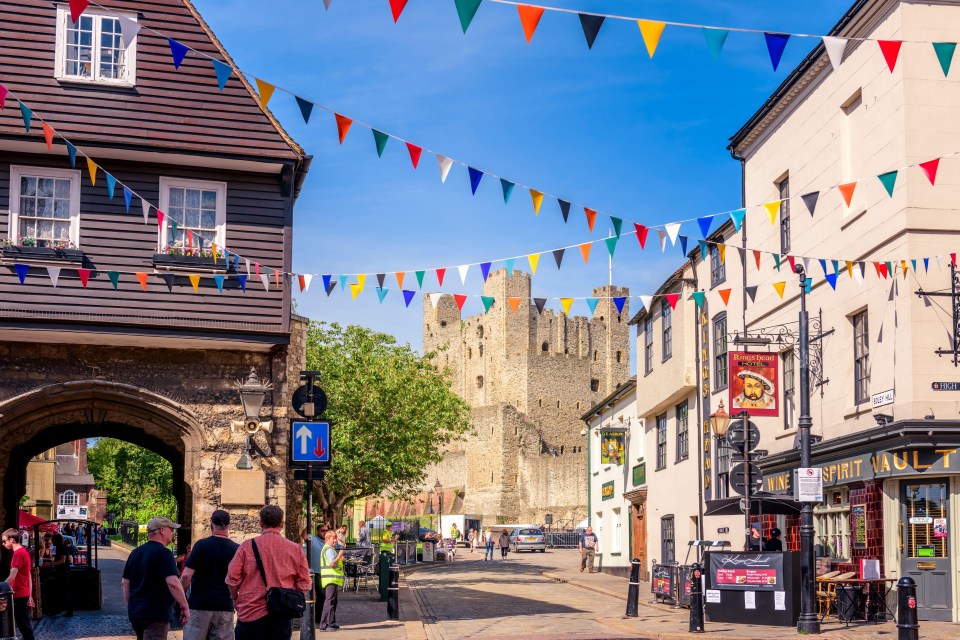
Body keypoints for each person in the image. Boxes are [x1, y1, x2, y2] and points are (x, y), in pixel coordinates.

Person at [226, 505, 310, 640]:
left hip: (250, 612)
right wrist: (291, 598)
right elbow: (305, 583)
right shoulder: (295, 549)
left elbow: (231, 578)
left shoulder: (247, 546)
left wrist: (235, 597)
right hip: (281, 614)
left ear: (260, 523)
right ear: (282, 524)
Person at [122, 516, 189, 640]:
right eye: (171, 529)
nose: (173, 533)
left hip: (136, 612)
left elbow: (125, 583)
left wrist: (131, 605)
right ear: (162, 530)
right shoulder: (164, 553)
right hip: (156, 614)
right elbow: (173, 583)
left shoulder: (136, 552)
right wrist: (185, 606)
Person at [180, 510, 239, 640]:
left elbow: (186, 576)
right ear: (229, 525)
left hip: (200, 605)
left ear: (211, 524)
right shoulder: (236, 549)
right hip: (224, 605)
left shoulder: (201, 546)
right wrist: (235, 599)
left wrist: (182, 600)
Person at [3, 528, 35, 640]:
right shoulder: (25, 553)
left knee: (23, 624)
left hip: (18, 593)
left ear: (11, 540)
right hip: (23, 593)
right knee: (23, 623)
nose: (3, 544)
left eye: (4, 541)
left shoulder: (18, 554)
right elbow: (29, 576)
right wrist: (30, 594)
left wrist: (1, 587)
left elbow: (12, 576)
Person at [318, 529, 344, 632]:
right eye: (334, 539)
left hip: (332, 578)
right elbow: (332, 563)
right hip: (330, 578)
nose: (335, 541)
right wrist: (340, 554)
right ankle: (325, 624)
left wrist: (340, 558)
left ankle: (331, 623)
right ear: (328, 539)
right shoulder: (328, 549)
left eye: (336, 539)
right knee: (329, 601)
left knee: (332, 601)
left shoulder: (330, 548)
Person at [50, 533, 74, 616]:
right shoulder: (60, 547)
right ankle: (66, 610)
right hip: (63, 572)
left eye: (53, 540)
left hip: (63, 573)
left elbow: (63, 560)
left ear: (56, 540)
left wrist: (53, 563)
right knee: (63, 592)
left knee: (64, 592)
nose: (52, 541)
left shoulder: (60, 547)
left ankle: (68, 611)